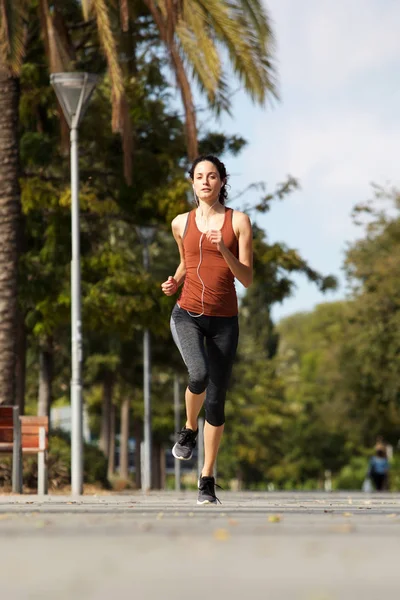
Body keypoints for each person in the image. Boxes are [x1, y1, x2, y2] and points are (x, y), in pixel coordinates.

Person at [161, 155, 253, 504]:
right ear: (192, 182)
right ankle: (188, 429)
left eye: (212, 176)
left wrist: (222, 249)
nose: (205, 182)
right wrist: (175, 281)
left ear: (222, 181)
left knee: (216, 403)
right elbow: (187, 260)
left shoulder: (239, 222)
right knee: (197, 374)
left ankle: (207, 479)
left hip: (225, 322)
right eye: (199, 176)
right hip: (186, 314)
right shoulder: (180, 223)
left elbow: (246, 278)